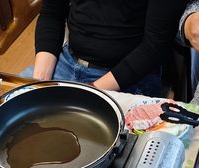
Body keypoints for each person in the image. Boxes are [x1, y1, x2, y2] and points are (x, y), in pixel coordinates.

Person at [32, 0, 187, 97]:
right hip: (66, 60)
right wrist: (39, 81)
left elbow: (155, 47)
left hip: (126, 77)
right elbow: (52, 13)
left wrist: (89, 93)